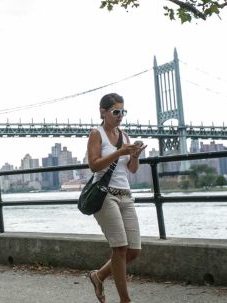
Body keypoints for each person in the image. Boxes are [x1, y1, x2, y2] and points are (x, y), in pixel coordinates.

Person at [85, 93, 145, 303]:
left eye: (123, 112)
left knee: (134, 250)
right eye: (116, 112)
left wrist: (134, 156)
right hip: (105, 196)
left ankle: (98, 276)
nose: (120, 116)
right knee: (120, 248)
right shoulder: (96, 134)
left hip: (125, 195)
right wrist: (120, 152)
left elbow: (132, 170)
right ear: (103, 112)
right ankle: (125, 300)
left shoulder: (125, 136)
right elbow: (94, 165)